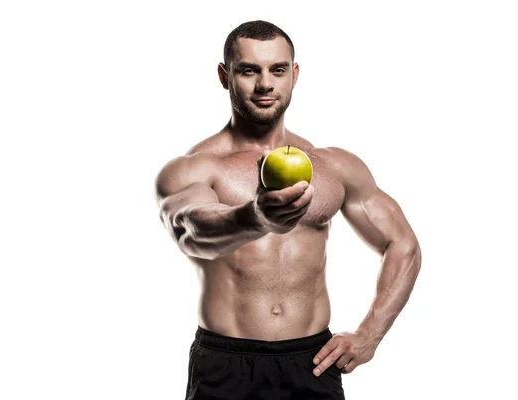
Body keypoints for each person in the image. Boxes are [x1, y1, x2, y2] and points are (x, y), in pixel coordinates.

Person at [154, 20, 422, 400]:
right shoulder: (197, 166)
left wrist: (369, 335)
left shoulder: (334, 165)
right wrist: (253, 218)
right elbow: (191, 231)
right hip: (226, 363)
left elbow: (403, 245)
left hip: (312, 361)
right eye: (249, 70)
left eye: (277, 70)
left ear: (294, 75)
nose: (265, 84)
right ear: (224, 75)